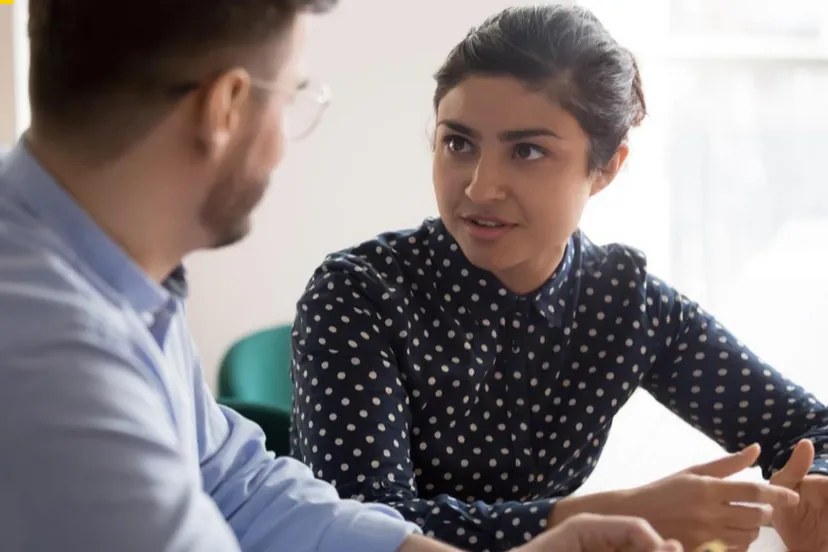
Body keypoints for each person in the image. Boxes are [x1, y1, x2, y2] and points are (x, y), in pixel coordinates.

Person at [0, 1, 685, 552]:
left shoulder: (108, 281)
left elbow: (240, 487)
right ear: (225, 109)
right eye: (292, 96)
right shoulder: (53, 361)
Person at [289, 4, 828, 552]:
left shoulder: (625, 303)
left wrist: (812, 489)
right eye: (458, 143)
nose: (480, 188)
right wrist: (611, 515)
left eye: (527, 151)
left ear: (606, 167)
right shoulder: (357, 294)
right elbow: (363, 527)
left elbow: (810, 427)